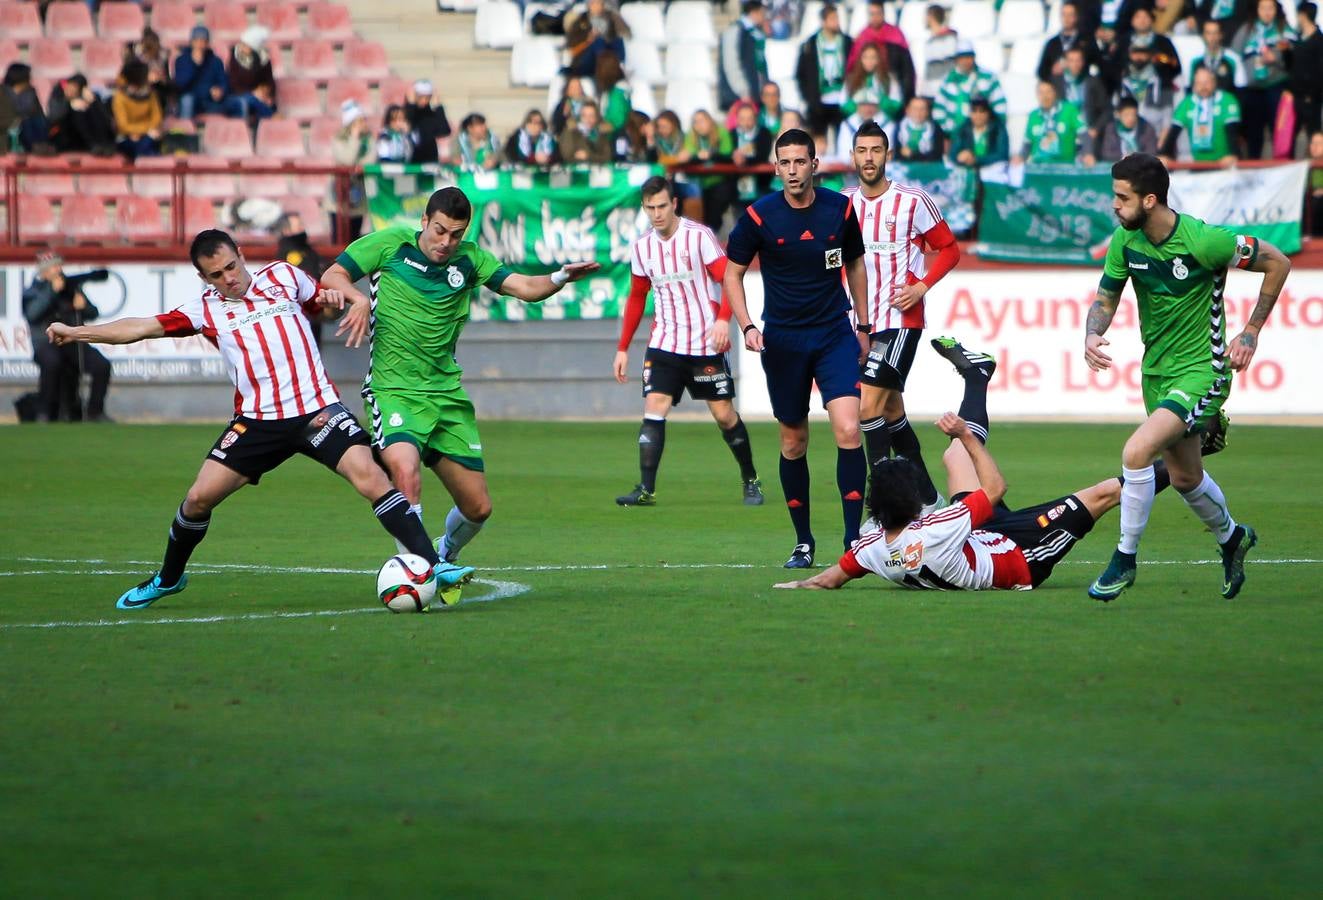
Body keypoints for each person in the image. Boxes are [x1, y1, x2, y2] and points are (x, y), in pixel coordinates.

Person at [44, 230, 475, 609]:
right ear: (204, 278)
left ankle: (434, 566)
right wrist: (78, 332)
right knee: (197, 499)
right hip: (257, 422)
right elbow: (140, 327)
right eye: (216, 274)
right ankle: (169, 578)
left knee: (372, 479)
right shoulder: (204, 310)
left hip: (317, 410)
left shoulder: (283, 277)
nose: (229, 278)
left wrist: (331, 300)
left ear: (240, 255)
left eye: (232, 266)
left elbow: (320, 301)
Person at [319, 188, 600, 584]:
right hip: (394, 389)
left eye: (456, 233)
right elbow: (332, 274)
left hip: (446, 396)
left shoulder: (470, 259)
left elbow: (524, 287)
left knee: (478, 507)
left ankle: (445, 551)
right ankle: (424, 570)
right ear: (424, 222)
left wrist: (559, 277)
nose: (446, 242)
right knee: (405, 469)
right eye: (439, 231)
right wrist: (356, 298)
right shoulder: (389, 244)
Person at [774, 341, 1172, 593]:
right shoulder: (939, 526)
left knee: (954, 458)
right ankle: (1187, 457)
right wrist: (964, 433)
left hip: (974, 539)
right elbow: (995, 488)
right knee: (1107, 492)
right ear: (913, 504)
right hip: (1022, 555)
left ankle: (977, 376)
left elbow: (832, 578)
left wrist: (798, 584)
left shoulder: (870, 548)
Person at [1083, 153, 1291, 601]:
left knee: (1137, 451)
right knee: (1184, 478)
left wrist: (1250, 331)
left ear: (1151, 200)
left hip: (1203, 370)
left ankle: (1123, 559)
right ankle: (1232, 537)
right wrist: (1092, 334)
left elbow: (1279, 262)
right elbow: (1106, 296)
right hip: (1156, 373)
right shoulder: (1125, 241)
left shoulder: (1205, 241)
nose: (1114, 206)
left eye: (1122, 198)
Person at [722, 128, 871, 569]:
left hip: (833, 334)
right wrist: (747, 324)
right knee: (793, 442)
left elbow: (856, 263)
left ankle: (852, 541)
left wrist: (863, 324)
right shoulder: (759, 216)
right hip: (783, 341)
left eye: (799, 162)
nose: (792, 170)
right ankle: (804, 542)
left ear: (814, 164)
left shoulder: (839, 209)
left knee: (848, 429)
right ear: (776, 167)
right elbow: (731, 274)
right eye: (784, 163)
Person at [612, 177, 763, 507]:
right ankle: (646, 488)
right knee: (654, 407)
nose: (657, 214)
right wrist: (623, 347)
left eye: (662, 206)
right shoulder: (642, 247)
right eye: (650, 208)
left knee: (724, 415)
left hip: (704, 342)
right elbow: (637, 296)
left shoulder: (699, 237)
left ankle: (750, 478)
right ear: (644, 208)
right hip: (665, 342)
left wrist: (724, 320)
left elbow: (728, 279)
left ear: (674, 203)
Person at [844, 121, 961, 511]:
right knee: (891, 412)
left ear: (887, 155)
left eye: (876, 150)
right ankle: (930, 501)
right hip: (861, 325)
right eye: (862, 150)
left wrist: (922, 287)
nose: (869, 158)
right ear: (853, 156)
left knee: (867, 410)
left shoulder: (913, 200)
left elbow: (949, 249)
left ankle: (883, 509)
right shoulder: (844, 204)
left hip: (899, 321)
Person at [22, 252, 113, 422]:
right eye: (54, 266)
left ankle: (95, 412)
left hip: (73, 342)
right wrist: (51, 292)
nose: (59, 269)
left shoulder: (71, 288)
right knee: (52, 363)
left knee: (101, 365)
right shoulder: (32, 292)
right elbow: (33, 315)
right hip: (46, 343)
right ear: (44, 271)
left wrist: (84, 306)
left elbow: (93, 313)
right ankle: (45, 412)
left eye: (59, 265)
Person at [1232, 0, 1295, 158]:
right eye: (1263, 8)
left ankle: (1282, 165)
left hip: (1276, 86)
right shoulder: (1247, 30)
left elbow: (1294, 56)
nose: (1267, 12)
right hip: (1253, 89)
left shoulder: (1283, 29)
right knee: (1254, 132)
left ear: (1275, 10)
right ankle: (1255, 164)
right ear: (1257, 10)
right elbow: (1234, 56)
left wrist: (1277, 58)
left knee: (1279, 129)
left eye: (1270, 8)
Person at [1162, 66, 1241, 165]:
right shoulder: (1187, 103)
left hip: (1223, 163)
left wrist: (1233, 154)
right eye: (1199, 83)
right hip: (1198, 163)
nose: (1203, 87)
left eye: (1206, 83)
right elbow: (1174, 132)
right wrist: (1164, 154)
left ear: (1214, 83)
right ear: (1194, 85)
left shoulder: (1227, 100)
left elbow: (1232, 132)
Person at [796, 4, 852, 142]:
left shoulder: (847, 42)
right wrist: (809, 97)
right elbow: (801, 74)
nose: (836, 22)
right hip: (818, 102)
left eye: (837, 18)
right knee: (819, 143)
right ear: (823, 21)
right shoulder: (810, 44)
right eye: (832, 18)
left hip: (841, 100)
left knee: (843, 140)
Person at [933, 41, 1008, 138]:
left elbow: (1000, 105)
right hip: (954, 135)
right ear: (956, 60)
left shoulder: (988, 78)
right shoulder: (948, 80)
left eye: (969, 57)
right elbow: (939, 109)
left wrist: (993, 130)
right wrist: (945, 133)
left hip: (982, 134)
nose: (966, 61)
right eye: (962, 58)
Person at [328, 100, 375, 241]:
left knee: (355, 239)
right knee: (339, 239)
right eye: (358, 121)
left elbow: (370, 160)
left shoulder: (369, 140)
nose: (362, 124)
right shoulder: (338, 140)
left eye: (363, 120)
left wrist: (357, 166)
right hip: (339, 197)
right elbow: (347, 159)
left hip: (358, 197)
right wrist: (355, 138)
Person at [684, 109, 734, 229]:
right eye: (695, 122)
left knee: (715, 215)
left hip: (720, 181)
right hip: (698, 183)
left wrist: (710, 155)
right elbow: (688, 156)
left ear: (710, 121)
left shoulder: (721, 132)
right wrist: (698, 156)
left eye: (702, 121)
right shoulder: (691, 135)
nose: (699, 125)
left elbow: (727, 154)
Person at [1015, 80, 1085, 164]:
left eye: (1048, 92)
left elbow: (1084, 134)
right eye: (1041, 93)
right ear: (1036, 95)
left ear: (1055, 93)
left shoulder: (1069, 110)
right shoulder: (1033, 116)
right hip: (1039, 168)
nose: (1045, 96)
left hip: (1065, 167)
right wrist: (1019, 158)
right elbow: (1027, 145)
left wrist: (1088, 154)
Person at [46, 74, 116, 155]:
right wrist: (69, 102)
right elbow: (55, 117)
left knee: (92, 110)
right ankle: (93, 144)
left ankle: (102, 144)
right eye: (71, 85)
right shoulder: (58, 93)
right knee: (77, 112)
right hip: (63, 135)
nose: (72, 89)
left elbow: (105, 119)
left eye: (76, 87)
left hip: (81, 137)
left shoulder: (86, 97)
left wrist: (93, 101)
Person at [718, 0, 770, 110]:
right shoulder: (735, 30)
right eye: (763, 12)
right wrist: (743, 91)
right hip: (739, 98)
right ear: (754, 11)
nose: (765, 16)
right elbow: (731, 63)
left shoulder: (756, 33)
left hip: (755, 96)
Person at [1053, 45, 1111, 140]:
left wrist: (1096, 129)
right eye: (1071, 60)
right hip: (1065, 135)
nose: (1075, 64)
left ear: (1083, 62)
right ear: (1066, 62)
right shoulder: (1057, 82)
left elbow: (1107, 109)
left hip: (1088, 133)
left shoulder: (1093, 81)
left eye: (1078, 60)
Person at [173, 26, 229, 120]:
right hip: (192, 99)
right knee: (187, 100)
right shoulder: (181, 60)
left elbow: (223, 81)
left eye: (203, 41)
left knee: (237, 103)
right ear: (192, 42)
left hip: (211, 100)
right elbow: (180, 84)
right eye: (197, 41)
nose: (200, 45)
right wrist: (194, 65)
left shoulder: (215, 61)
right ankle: (186, 132)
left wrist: (220, 89)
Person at [111, 60, 163, 160]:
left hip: (148, 135)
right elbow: (123, 125)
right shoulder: (120, 97)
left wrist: (144, 132)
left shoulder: (151, 95)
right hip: (127, 137)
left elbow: (157, 118)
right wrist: (141, 131)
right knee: (142, 149)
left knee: (148, 145)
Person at [225, 25, 277, 122]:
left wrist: (265, 91)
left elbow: (269, 81)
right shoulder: (235, 58)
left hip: (257, 97)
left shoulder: (264, 60)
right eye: (242, 44)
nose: (242, 47)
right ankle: (272, 117)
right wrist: (254, 93)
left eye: (246, 45)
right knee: (248, 100)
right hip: (236, 97)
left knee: (266, 102)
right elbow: (233, 84)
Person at [1288, 2, 1323, 145]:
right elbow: (1292, 67)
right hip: (1295, 95)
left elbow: (1320, 72)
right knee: (1289, 135)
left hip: (1312, 98)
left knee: (1313, 134)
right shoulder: (1296, 38)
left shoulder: (1319, 41)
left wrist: (1312, 94)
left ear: (1302, 15)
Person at [1038, 1, 1095, 83]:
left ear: (1076, 17)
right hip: (1058, 89)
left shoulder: (1087, 41)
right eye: (1064, 15)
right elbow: (1041, 72)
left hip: (1081, 88)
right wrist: (1052, 71)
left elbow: (1096, 65)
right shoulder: (1052, 43)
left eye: (1070, 15)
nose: (1066, 19)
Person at [1091, 96, 1160, 162]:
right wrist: (1123, 157)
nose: (1131, 118)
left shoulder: (1147, 129)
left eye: (1133, 114)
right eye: (1126, 115)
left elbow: (1152, 153)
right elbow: (1106, 153)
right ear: (1118, 114)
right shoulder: (1111, 129)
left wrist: (1136, 158)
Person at [1189, 18, 1248, 93]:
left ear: (1221, 35)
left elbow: (1241, 88)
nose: (1212, 38)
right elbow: (1190, 90)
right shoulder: (1195, 60)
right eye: (1208, 33)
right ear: (1203, 36)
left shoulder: (1233, 59)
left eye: (1215, 33)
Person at [949, 97, 1010, 166]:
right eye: (974, 111)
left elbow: (1002, 155)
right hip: (969, 170)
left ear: (988, 113)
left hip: (992, 171)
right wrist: (960, 157)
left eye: (982, 111)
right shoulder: (963, 129)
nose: (978, 115)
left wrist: (976, 159)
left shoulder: (999, 129)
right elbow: (952, 155)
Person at [405, 79, 453, 165]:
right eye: (420, 97)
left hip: (429, 159)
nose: (424, 101)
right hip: (410, 159)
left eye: (427, 97)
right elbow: (409, 122)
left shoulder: (431, 115)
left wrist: (438, 107)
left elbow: (444, 131)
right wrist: (411, 105)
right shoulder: (407, 111)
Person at [895, 95, 946, 161]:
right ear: (908, 111)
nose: (918, 113)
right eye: (915, 109)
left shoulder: (935, 128)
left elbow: (936, 155)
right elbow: (896, 152)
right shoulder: (899, 126)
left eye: (922, 109)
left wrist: (913, 155)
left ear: (928, 112)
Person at [924, 4, 961, 86]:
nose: (924, 19)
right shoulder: (930, 40)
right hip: (931, 88)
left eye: (926, 15)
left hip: (944, 89)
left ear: (931, 17)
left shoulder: (949, 38)